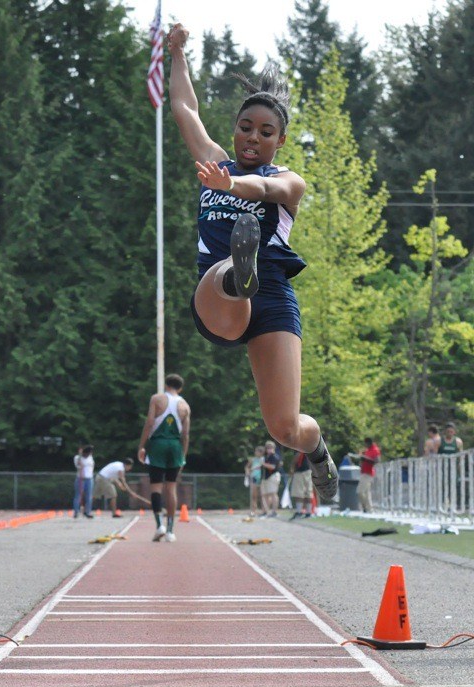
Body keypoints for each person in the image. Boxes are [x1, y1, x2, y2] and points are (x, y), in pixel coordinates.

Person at [166, 23, 337, 504]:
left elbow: (262, 189)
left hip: (274, 300)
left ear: (279, 141)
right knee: (226, 276)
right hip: (217, 295)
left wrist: (230, 187)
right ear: (235, 129)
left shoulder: (289, 180)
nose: (251, 139)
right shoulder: (214, 161)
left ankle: (317, 446)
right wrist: (178, 53)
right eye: (245, 128)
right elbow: (185, 109)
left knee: (286, 427)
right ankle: (237, 272)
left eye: (265, 133)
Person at [137, 373, 191, 543]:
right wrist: (183, 455)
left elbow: (149, 422)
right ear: (180, 388)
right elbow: (186, 434)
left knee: (156, 487)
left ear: (166, 385)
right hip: (175, 446)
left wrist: (142, 446)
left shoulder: (157, 399)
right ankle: (170, 531)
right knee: (171, 488)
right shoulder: (185, 406)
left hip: (158, 445)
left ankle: (159, 524)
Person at [350, 437, 381, 513]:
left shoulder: (375, 450)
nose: (365, 445)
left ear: (369, 443)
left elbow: (377, 461)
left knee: (359, 491)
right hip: (364, 472)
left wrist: (365, 458)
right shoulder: (368, 450)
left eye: (366, 444)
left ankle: (365, 507)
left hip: (368, 473)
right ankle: (369, 509)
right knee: (367, 493)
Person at [289, 450, 313, 520]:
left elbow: (296, 458)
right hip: (306, 471)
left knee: (300, 492)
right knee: (306, 492)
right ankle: (307, 512)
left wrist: (292, 467)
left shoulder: (299, 446)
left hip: (302, 471)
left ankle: (301, 512)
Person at [260, 440, 281, 517]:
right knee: (265, 495)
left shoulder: (275, 456)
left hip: (273, 476)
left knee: (273, 494)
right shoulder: (266, 457)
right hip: (265, 477)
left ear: (273, 448)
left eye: (271, 447)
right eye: (268, 448)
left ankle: (274, 511)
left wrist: (263, 464)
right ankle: (266, 511)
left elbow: (272, 467)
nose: (269, 449)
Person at [73, 445, 94, 519]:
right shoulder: (77, 458)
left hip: (89, 478)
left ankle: (87, 511)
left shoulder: (90, 457)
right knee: (78, 495)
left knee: (89, 496)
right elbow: (78, 465)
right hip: (80, 478)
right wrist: (79, 455)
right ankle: (76, 512)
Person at [245, 445, 265, 517]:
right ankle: (253, 511)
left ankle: (264, 510)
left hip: (262, 479)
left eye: (257, 451)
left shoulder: (263, 459)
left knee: (262, 495)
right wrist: (247, 472)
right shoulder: (253, 459)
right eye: (256, 451)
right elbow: (247, 467)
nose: (256, 453)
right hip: (254, 478)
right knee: (254, 495)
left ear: (261, 453)